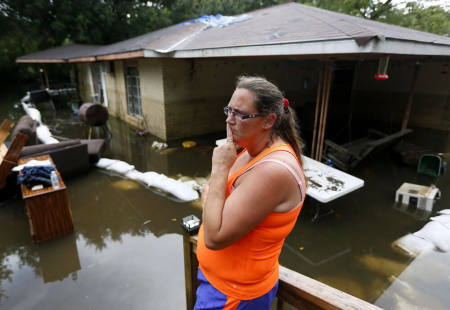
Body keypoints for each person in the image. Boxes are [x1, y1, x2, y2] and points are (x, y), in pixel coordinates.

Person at [195, 76, 307, 310]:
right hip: (218, 283)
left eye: (240, 114)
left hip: (235, 295)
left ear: (268, 121)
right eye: (229, 110)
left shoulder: (273, 170)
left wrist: (219, 169)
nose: (229, 119)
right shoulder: (249, 150)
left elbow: (215, 236)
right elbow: (209, 194)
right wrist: (214, 201)